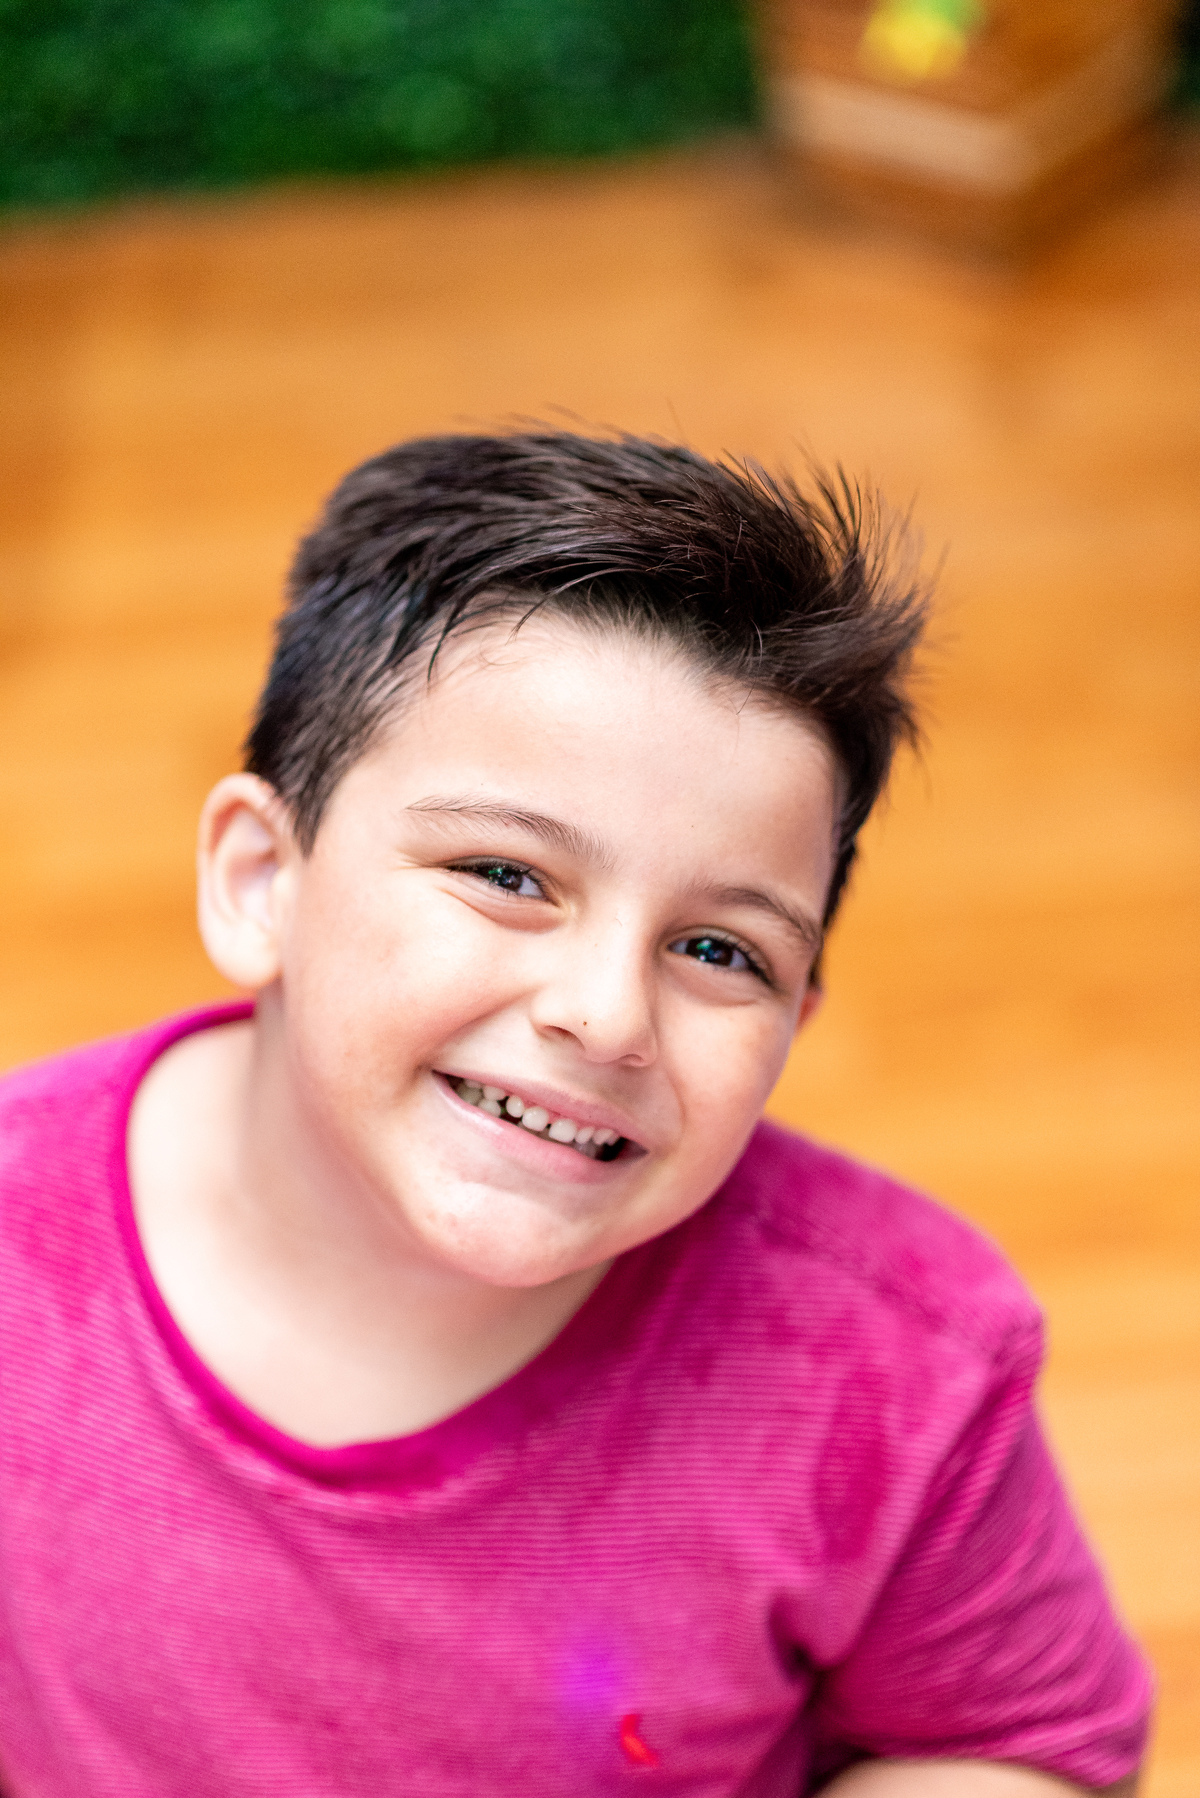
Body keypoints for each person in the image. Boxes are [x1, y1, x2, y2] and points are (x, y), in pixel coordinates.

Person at [0, 433, 1149, 1796]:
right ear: (262, 880)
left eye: (719, 951)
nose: (607, 1016)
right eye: (507, 875)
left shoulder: (902, 1362)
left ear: (794, 1025)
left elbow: (1021, 1742)